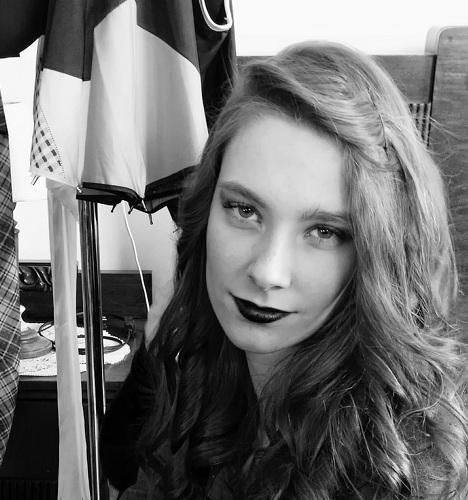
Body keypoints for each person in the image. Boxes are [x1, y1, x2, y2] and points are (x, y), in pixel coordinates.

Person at [100, 41, 468, 499]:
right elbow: (125, 467)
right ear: (206, 207)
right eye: (244, 210)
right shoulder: (200, 364)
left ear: (376, 253)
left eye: (324, 232)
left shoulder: (398, 468)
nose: (267, 272)